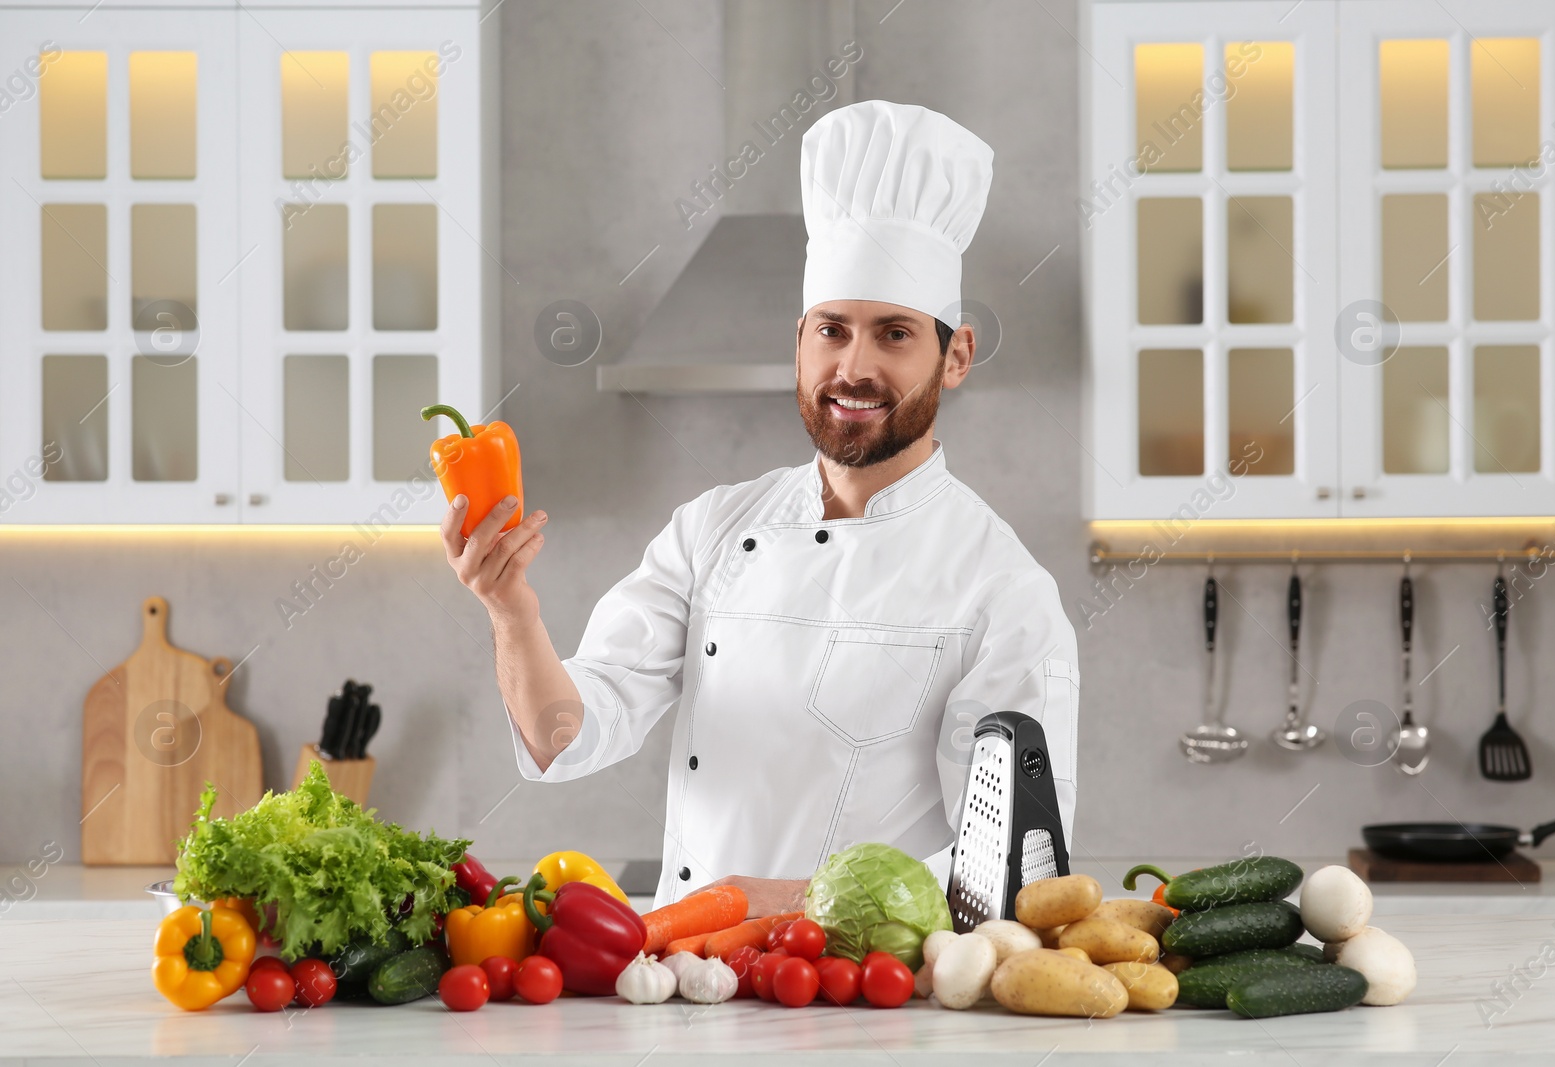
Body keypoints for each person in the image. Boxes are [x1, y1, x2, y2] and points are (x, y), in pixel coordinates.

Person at [443, 100, 1079, 915]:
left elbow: (1009, 876)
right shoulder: (711, 529)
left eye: (893, 334)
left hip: (863, 1007)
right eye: (832, 330)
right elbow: (564, 736)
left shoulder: (1003, 593)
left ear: (954, 356)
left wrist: (772, 904)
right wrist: (510, 613)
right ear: (800, 341)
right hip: (687, 986)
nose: (853, 366)